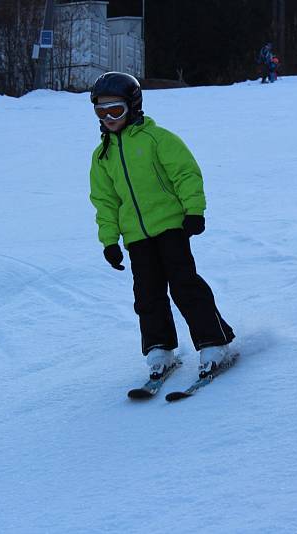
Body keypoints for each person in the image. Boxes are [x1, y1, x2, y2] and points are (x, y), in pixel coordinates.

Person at [88, 72, 236, 381]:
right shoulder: (102, 156)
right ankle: (160, 349)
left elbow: (186, 173)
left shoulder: (158, 139)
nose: (109, 118)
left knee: (184, 285)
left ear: (133, 106)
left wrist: (194, 210)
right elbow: (105, 201)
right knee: (147, 295)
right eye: (102, 111)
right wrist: (109, 241)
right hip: (136, 237)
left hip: (171, 227)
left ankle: (214, 342)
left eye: (116, 110)